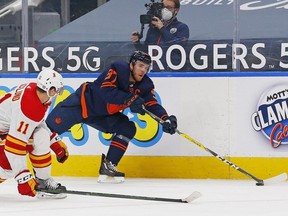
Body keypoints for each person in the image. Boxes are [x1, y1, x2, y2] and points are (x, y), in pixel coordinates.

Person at [46, 50, 178, 183]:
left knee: (127, 127)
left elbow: (152, 104)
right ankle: (38, 175)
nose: (143, 70)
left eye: (146, 67)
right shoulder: (117, 70)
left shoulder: (145, 85)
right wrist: (129, 98)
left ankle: (108, 165)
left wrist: (165, 118)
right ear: (131, 65)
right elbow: (106, 92)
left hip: (102, 116)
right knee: (45, 132)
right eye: (140, 65)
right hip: (81, 104)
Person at [0, 68, 69, 198]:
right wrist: (23, 178)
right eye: (57, 90)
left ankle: (43, 182)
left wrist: (53, 141)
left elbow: (36, 122)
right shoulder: (29, 106)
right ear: (51, 89)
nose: (57, 93)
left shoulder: (36, 93)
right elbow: (13, 146)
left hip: (5, 129)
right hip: (4, 132)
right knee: (7, 165)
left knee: (41, 135)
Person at [131, 0, 189, 72]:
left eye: (169, 7)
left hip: (173, 71)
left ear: (176, 10)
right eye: (163, 7)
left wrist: (162, 28)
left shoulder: (182, 27)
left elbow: (179, 46)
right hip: (153, 71)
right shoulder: (153, 28)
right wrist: (137, 43)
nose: (165, 10)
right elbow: (146, 52)